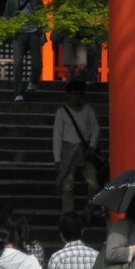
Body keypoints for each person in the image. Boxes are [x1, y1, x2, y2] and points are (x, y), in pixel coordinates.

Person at [53, 79, 100, 215]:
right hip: (68, 149)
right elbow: (57, 136)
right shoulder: (61, 112)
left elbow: (95, 129)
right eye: (74, 94)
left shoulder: (88, 110)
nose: (77, 97)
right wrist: (57, 158)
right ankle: (68, 213)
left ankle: (88, 211)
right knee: (67, 185)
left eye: (80, 94)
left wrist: (92, 146)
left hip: (84, 150)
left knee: (94, 183)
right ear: (69, 95)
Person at [4, 0, 44, 100]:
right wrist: (6, 30)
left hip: (33, 32)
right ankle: (18, 92)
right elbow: (7, 15)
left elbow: (42, 17)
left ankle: (33, 80)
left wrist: (43, 33)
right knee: (17, 63)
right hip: (18, 33)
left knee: (37, 64)